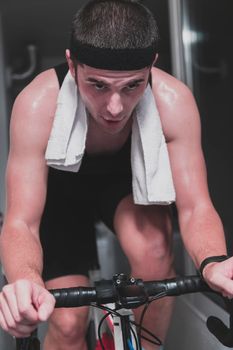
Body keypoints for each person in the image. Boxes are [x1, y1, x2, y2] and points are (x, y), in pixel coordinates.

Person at [0, 1, 233, 349]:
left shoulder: (174, 101)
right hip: (58, 195)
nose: (115, 107)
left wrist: (214, 263)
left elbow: (196, 207)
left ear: (151, 68)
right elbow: (20, 222)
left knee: (154, 251)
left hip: (124, 185)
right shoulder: (37, 103)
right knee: (66, 322)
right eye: (97, 85)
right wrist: (26, 281)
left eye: (131, 87)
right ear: (72, 65)